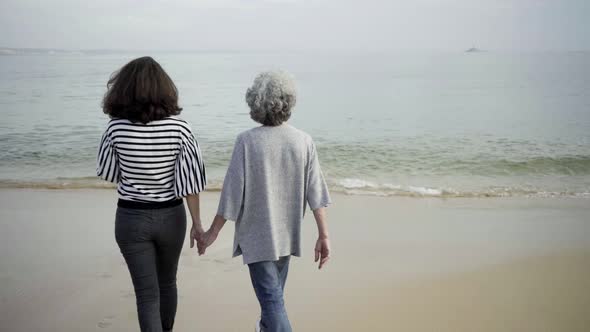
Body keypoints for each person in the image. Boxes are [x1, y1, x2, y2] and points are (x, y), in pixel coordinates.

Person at [198, 70, 332, 332]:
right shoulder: (303, 141)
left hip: (257, 237)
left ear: (255, 102)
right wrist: (323, 235)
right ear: (288, 101)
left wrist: (212, 232)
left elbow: (232, 194)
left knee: (272, 303)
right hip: (287, 235)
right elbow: (316, 193)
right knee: (273, 301)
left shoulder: (247, 141)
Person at [97, 56, 206, 332]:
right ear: (164, 88)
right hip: (172, 217)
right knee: (167, 282)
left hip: (131, 218)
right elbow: (190, 183)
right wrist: (197, 224)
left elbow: (109, 173)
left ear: (123, 89)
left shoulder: (115, 127)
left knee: (146, 294)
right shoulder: (180, 128)